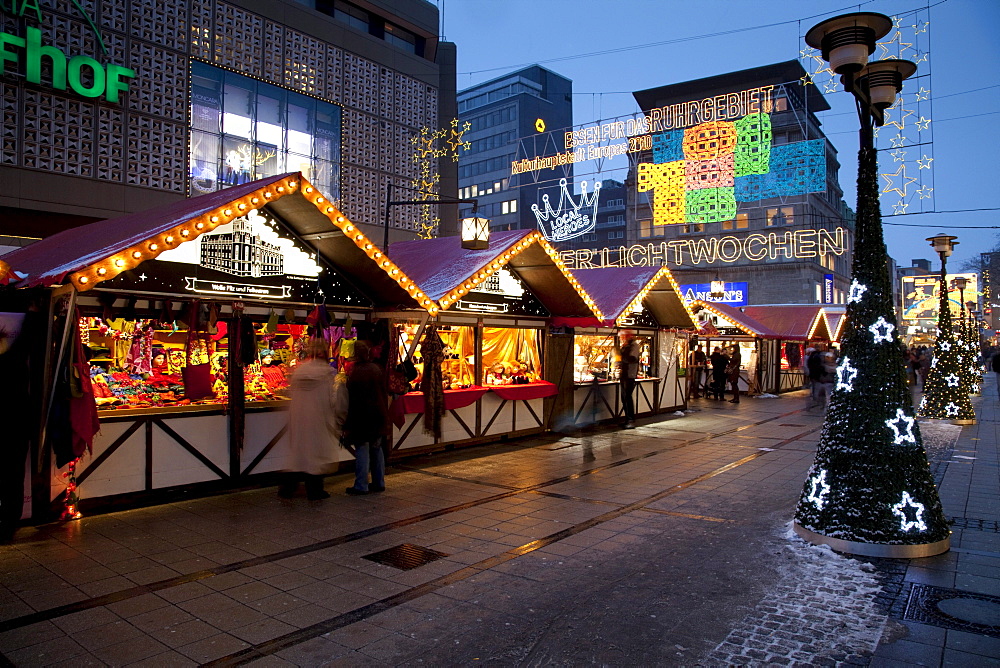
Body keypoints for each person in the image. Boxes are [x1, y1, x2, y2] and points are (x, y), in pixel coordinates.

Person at [279, 338, 346, 500]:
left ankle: (287, 488)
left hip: (299, 418)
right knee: (316, 457)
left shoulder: (300, 372)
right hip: (318, 420)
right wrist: (338, 416)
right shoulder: (326, 373)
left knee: (299, 456)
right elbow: (333, 399)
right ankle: (315, 491)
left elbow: (291, 393)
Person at [344, 340, 391, 495]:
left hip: (362, 416)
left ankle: (361, 484)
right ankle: (379, 482)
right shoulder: (377, 369)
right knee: (377, 449)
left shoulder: (356, 372)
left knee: (362, 449)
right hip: (378, 415)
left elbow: (352, 398)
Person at [618, 329, 640, 428]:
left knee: (627, 397)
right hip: (624, 374)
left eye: (622, 337)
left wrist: (620, 357)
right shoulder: (626, 346)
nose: (621, 339)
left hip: (629, 375)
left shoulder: (633, 345)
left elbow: (632, 359)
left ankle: (630, 420)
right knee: (624, 398)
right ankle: (628, 419)